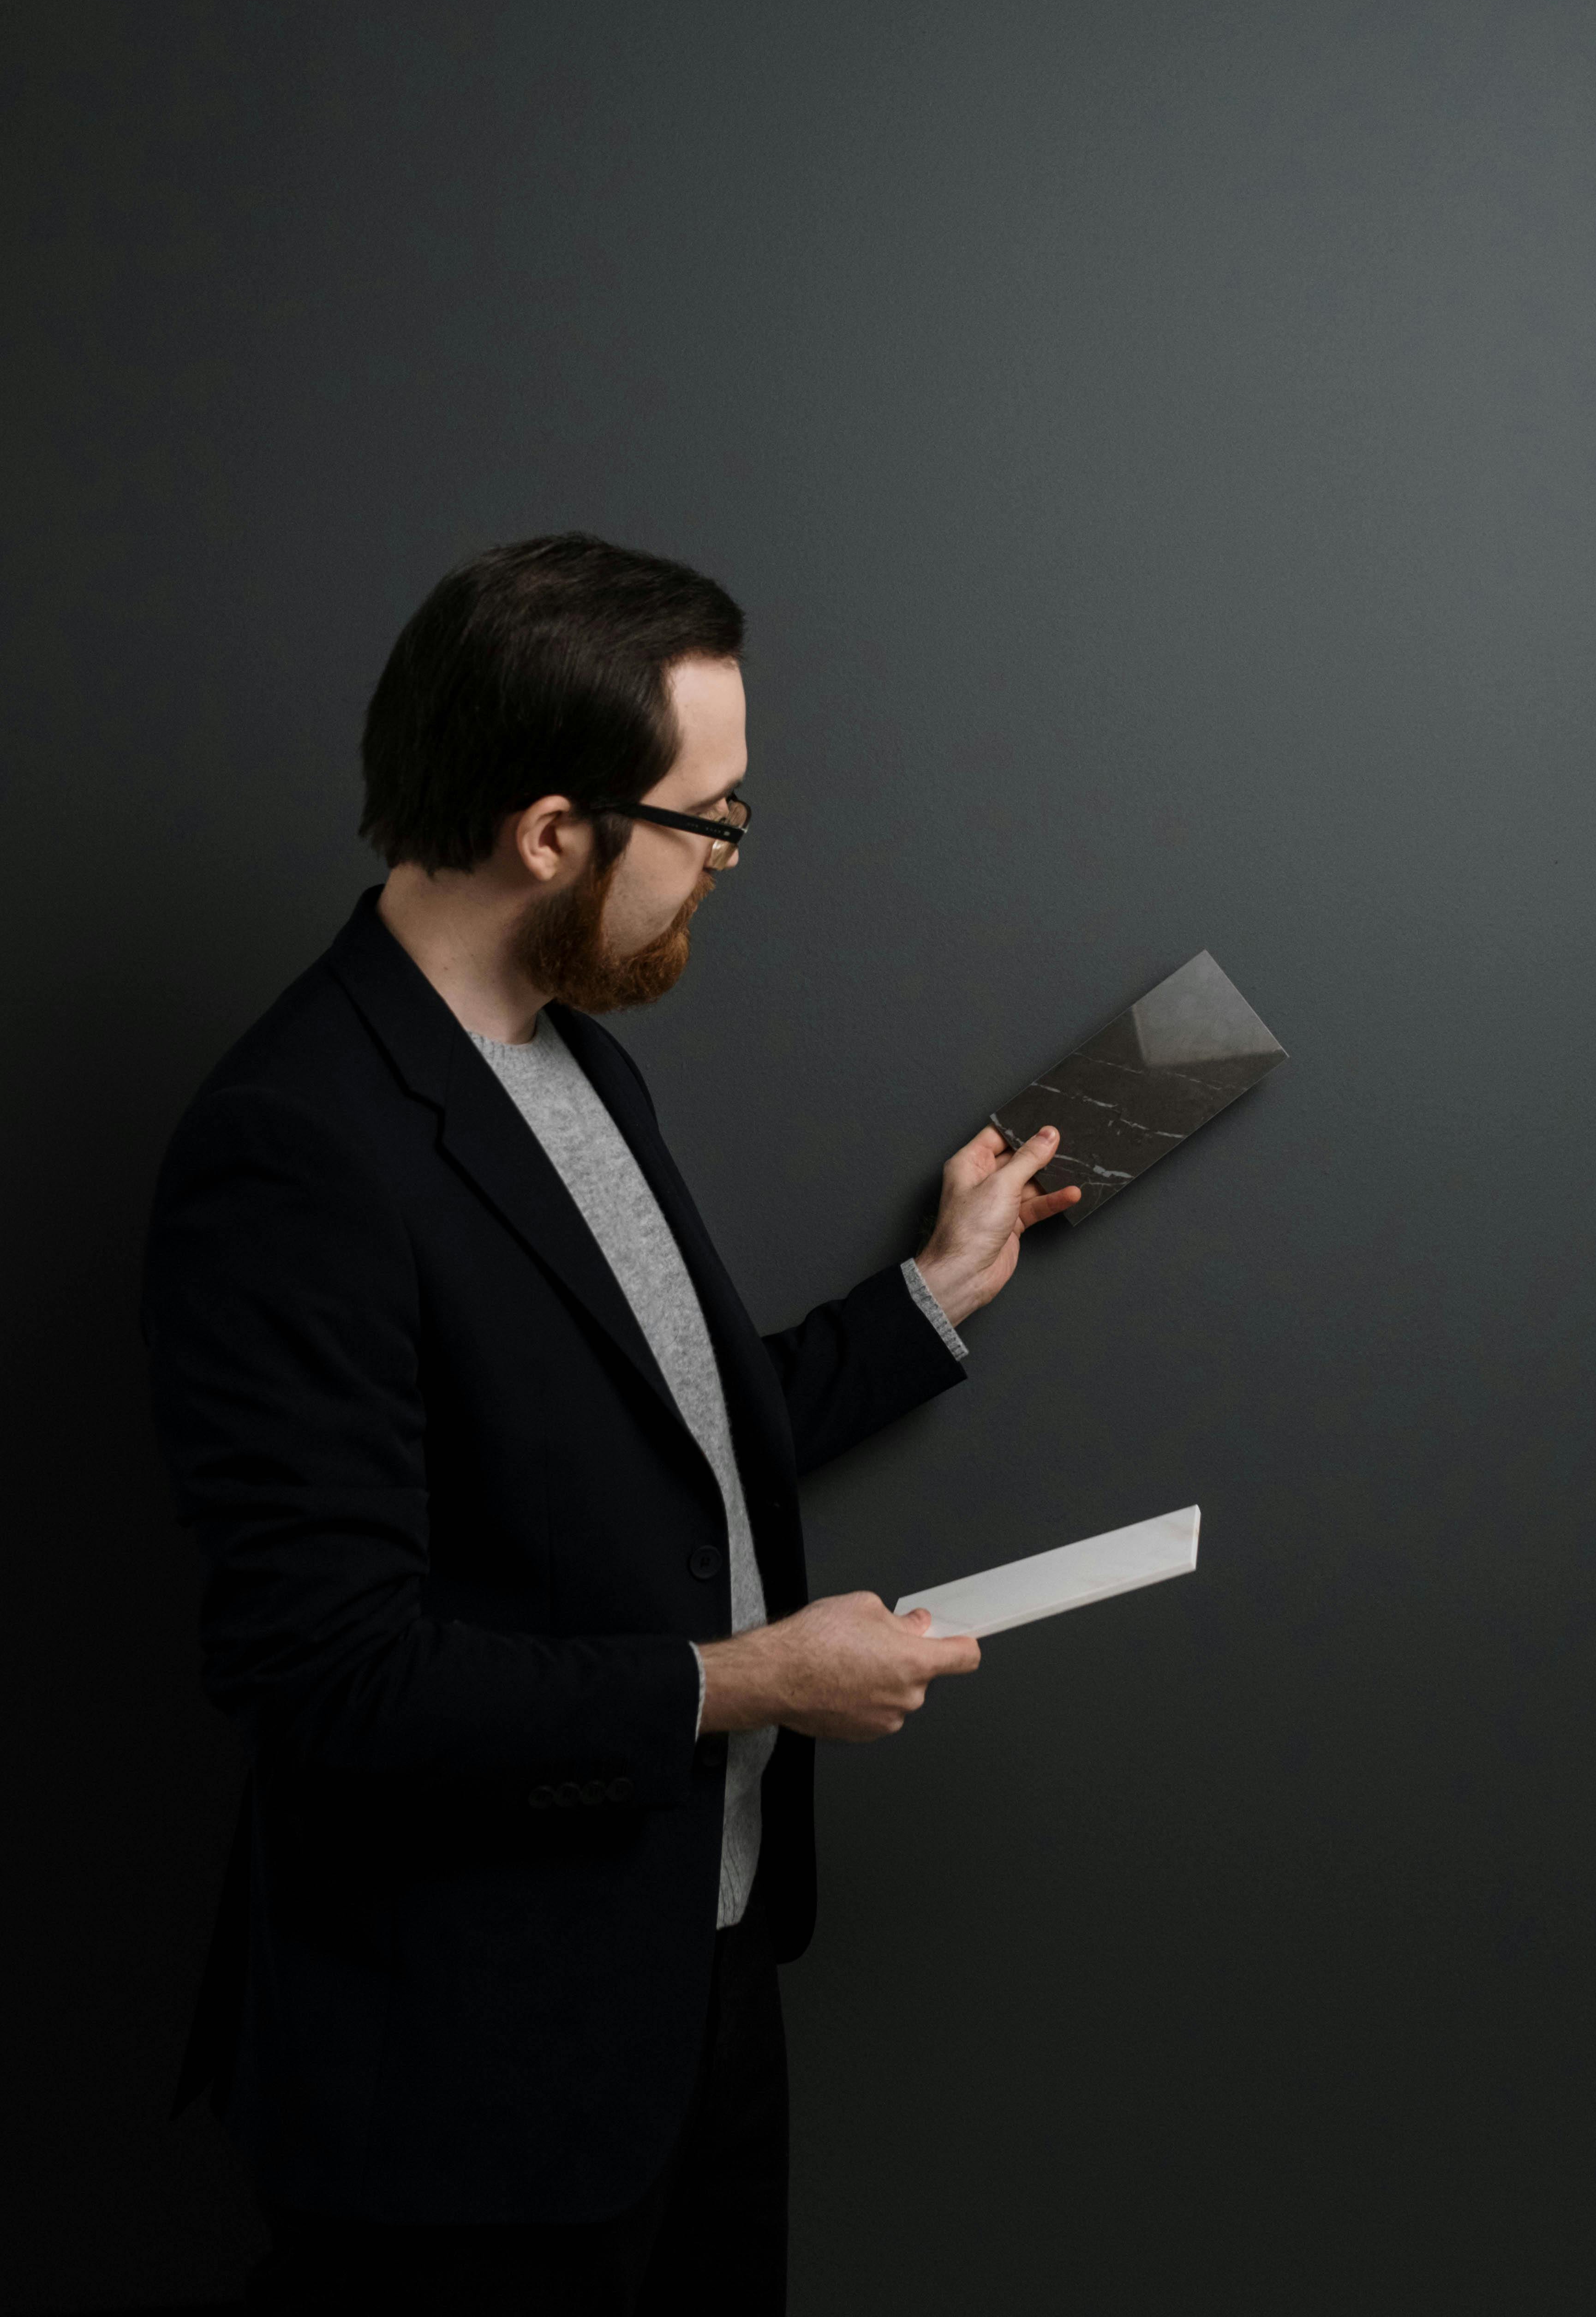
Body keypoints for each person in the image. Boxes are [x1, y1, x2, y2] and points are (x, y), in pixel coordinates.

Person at [142, 533, 1079, 2315]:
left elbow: (653, 1452)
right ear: (553, 832)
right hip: (469, 2082)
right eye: (709, 819)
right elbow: (328, 1678)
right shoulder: (295, 1147)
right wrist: (751, 1681)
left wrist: (927, 1299)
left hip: (691, 1986)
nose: (729, 856)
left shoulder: (579, 1061)